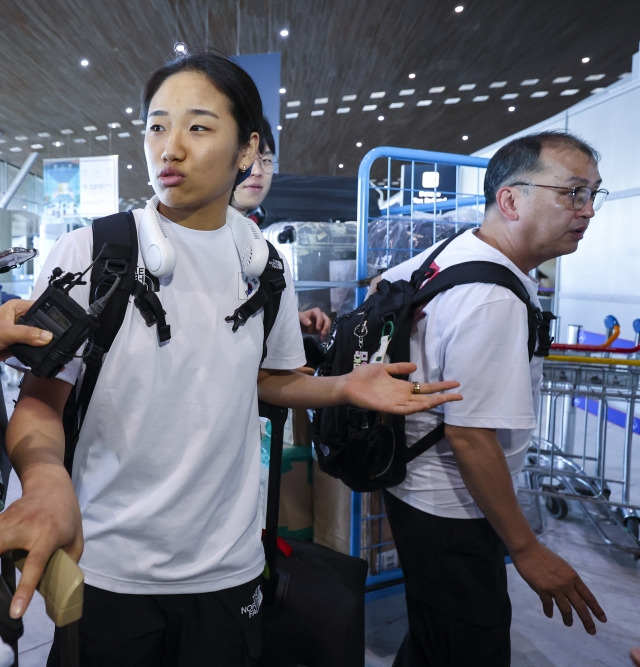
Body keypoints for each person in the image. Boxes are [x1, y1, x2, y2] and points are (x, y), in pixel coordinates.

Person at [0, 50, 461, 666]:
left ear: (247, 150)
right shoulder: (91, 252)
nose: (170, 147)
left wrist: (343, 387)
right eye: (157, 126)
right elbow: (38, 406)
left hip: (231, 569)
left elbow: (272, 380)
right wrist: (45, 478)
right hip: (110, 566)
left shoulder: (265, 266)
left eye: (197, 126)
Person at [376, 131, 608, 666]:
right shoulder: (493, 297)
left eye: (594, 194)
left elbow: (378, 290)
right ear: (510, 199)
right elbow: (470, 435)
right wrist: (527, 549)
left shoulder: (449, 253)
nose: (587, 210)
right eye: (573, 192)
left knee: (435, 638)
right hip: (454, 508)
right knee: (468, 645)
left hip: (411, 486)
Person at [232, 116, 332, 339]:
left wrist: (286, 320)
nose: (257, 171)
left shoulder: (264, 250)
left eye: (266, 161)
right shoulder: (198, 239)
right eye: (248, 159)